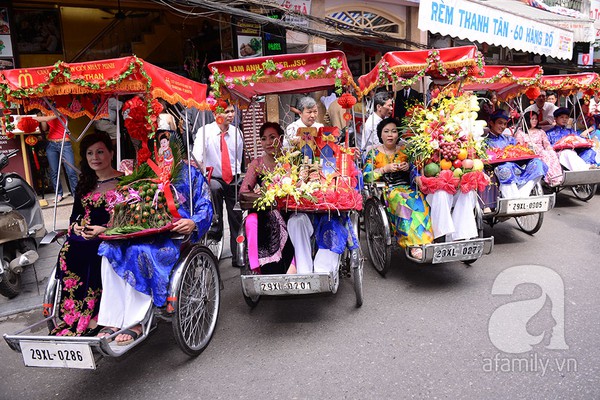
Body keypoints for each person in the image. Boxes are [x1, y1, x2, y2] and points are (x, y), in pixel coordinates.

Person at [97, 140, 213, 345]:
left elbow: (205, 204)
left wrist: (193, 222)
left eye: (167, 138)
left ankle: (136, 321)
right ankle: (112, 319)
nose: (163, 145)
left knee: (139, 252)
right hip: (141, 229)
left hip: (173, 234)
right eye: (158, 139)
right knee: (108, 249)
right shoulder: (144, 170)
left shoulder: (190, 173)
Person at [51, 132, 123, 336]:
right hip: (84, 237)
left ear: (111, 153)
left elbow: (130, 219)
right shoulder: (84, 185)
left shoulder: (125, 182)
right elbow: (75, 217)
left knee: (94, 251)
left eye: (100, 152)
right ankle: (73, 314)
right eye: (90, 153)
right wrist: (76, 227)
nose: (95, 157)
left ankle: (98, 314)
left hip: (112, 236)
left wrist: (105, 229)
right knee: (69, 249)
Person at [363, 117, 433, 259]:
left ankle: (425, 240)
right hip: (387, 190)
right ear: (380, 135)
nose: (390, 135)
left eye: (394, 131)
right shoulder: (373, 153)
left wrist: (408, 168)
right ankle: (412, 244)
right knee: (402, 201)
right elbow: (366, 176)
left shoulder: (405, 151)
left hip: (407, 187)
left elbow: (416, 171)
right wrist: (384, 169)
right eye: (386, 131)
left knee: (419, 198)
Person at [192, 101, 244, 267]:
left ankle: (238, 256)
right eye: (226, 112)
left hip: (233, 178)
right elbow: (197, 157)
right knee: (213, 190)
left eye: (231, 111)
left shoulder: (237, 133)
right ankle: (215, 229)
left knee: (237, 217)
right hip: (213, 178)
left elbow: (238, 158)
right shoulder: (205, 132)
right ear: (216, 115)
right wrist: (202, 174)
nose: (230, 115)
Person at [239, 122, 294, 274]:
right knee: (254, 221)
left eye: (272, 137)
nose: (268, 142)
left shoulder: (290, 161)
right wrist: (262, 196)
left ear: (281, 139)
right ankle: (263, 267)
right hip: (265, 211)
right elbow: (243, 191)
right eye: (264, 139)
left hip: (289, 209)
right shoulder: (256, 164)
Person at [485, 110, 548, 199]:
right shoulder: (485, 141)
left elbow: (518, 151)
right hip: (499, 167)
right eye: (500, 123)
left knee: (538, 163)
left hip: (517, 165)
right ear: (491, 123)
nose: (502, 127)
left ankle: (523, 194)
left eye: (504, 124)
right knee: (506, 167)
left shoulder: (509, 139)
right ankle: (512, 198)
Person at [34, 112, 79, 203]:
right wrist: (42, 115)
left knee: (70, 170)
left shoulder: (59, 109)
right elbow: (44, 128)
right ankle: (58, 194)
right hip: (51, 143)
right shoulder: (46, 112)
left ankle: (76, 194)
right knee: (54, 171)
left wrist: (27, 118)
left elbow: (47, 119)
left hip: (64, 142)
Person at [515, 111, 563, 186]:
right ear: (527, 120)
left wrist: (550, 149)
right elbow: (519, 146)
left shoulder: (541, 131)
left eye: (536, 119)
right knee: (545, 155)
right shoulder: (521, 133)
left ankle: (558, 177)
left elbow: (546, 144)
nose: (535, 121)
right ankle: (550, 178)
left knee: (552, 154)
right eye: (532, 119)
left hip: (542, 151)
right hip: (530, 153)